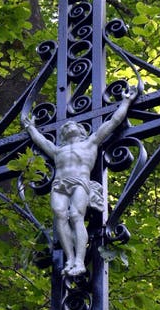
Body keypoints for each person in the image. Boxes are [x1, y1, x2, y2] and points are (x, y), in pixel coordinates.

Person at [22, 86, 138, 276]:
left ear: (81, 130)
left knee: (76, 216)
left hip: (80, 182)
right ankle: (69, 259)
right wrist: (30, 127)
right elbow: (40, 141)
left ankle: (79, 261)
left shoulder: (90, 142)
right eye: (65, 127)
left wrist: (125, 101)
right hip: (59, 184)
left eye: (71, 125)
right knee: (60, 216)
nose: (67, 126)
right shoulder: (58, 150)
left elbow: (113, 122)